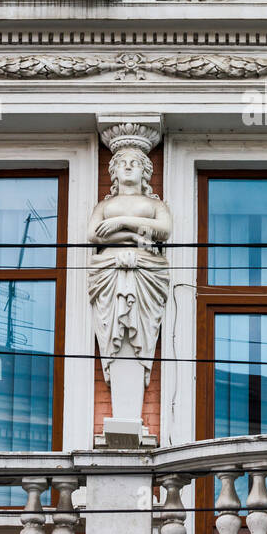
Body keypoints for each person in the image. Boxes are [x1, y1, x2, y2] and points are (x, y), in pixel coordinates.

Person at [86, 136, 172, 422]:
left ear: (146, 171)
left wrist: (123, 224)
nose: (128, 167)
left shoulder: (154, 204)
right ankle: (123, 420)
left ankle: (129, 419)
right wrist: (136, 236)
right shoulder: (104, 204)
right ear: (113, 171)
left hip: (146, 272)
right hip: (108, 270)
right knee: (114, 331)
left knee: (139, 330)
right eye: (122, 163)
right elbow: (93, 235)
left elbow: (164, 230)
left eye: (135, 163)